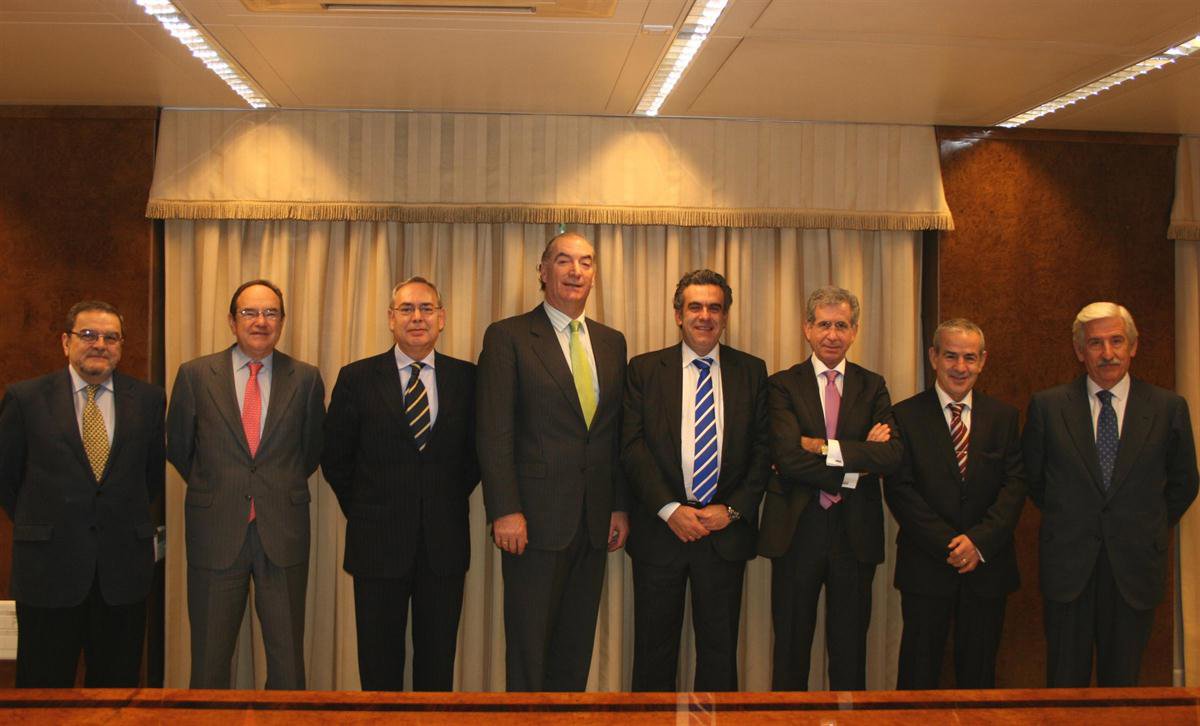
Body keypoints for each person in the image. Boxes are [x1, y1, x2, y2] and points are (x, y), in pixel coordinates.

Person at [476, 231, 629, 691]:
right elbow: (494, 432)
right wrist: (505, 509)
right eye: (563, 260)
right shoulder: (508, 336)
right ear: (543, 272)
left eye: (586, 262)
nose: (575, 271)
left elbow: (614, 434)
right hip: (532, 523)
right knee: (529, 652)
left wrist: (618, 505)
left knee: (574, 650)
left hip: (593, 521)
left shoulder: (612, 342)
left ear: (594, 275)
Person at [1023, 301, 1198, 687]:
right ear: (1079, 350)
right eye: (1095, 343)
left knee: (1123, 688)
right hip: (1069, 569)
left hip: (1134, 568)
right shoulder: (1048, 407)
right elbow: (1035, 481)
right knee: (1064, 685)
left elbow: (1185, 482)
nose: (1107, 353)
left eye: (1116, 341)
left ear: (1133, 346)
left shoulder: (1168, 408)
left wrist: (1145, 522)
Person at [167, 279, 325, 690]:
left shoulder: (306, 378)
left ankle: (285, 720)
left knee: (287, 663)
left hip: (282, 531)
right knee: (209, 660)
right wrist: (222, 485)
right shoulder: (195, 375)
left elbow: (310, 452)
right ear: (232, 320)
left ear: (282, 321)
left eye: (270, 313)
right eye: (250, 312)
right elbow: (180, 448)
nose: (260, 321)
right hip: (215, 530)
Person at [322, 276, 478, 691]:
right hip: (376, 546)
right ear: (391, 319)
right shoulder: (356, 378)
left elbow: (475, 458)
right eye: (406, 309)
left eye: (426, 308)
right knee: (378, 670)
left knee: (437, 668)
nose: (417, 317)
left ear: (442, 318)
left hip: (443, 546)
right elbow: (335, 457)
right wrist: (368, 508)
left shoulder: (467, 379)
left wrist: (438, 500)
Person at [0, 301, 165, 688]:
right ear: (65, 342)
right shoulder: (25, 399)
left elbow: (149, 478)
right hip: (48, 571)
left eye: (111, 337)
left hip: (121, 575)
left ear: (121, 346)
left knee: (116, 694)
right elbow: (7, 478)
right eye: (88, 335)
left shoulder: (148, 400)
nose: (100, 344)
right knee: (43, 690)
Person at [621, 269, 770, 691]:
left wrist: (733, 510)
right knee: (653, 657)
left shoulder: (752, 371)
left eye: (714, 308)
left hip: (724, 535)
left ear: (725, 316)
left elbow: (763, 451)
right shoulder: (645, 370)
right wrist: (670, 509)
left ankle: (715, 721)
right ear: (678, 315)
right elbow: (631, 447)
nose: (705, 316)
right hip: (661, 532)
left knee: (719, 657)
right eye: (695, 307)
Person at [758, 285, 901, 691]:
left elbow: (890, 455)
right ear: (807, 329)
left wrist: (822, 447)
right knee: (790, 652)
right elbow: (787, 458)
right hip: (796, 533)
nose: (832, 335)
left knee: (850, 655)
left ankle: (848, 719)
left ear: (855, 331)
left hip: (854, 535)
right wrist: (856, 465)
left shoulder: (873, 385)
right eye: (824, 325)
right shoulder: (782, 385)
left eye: (841, 325)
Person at [886, 318, 1025, 689]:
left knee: (979, 678)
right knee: (918, 676)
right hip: (927, 565)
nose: (960, 367)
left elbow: (1014, 487)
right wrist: (950, 544)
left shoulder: (1004, 417)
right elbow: (900, 490)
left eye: (969, 357)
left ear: (983, 361)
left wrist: (977, 542)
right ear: (933, 357)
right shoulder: (905, 415)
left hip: (987, 567)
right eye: (950, 356)